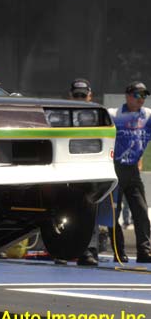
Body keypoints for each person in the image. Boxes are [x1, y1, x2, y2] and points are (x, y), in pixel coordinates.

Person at [107, 81, 151, 263]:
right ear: (127, 96)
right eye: (137, 95)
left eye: (144, 95)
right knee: (113, 214)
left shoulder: (148, 115)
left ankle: (144, 251)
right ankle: (119, 251)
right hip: (114, 170)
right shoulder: (113, 114)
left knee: (141, 211)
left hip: (133, 171)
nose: (141, 99)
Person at [66, 78, 101, 266]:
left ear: (90, 96)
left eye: (83, 95)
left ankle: (89, 250)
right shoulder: (60, 115)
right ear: (70, 96)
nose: (79, 98)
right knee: (62, 209)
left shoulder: (98, 115)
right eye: (76, 95)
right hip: (66, 170)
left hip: (88, 169)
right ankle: (62, 250)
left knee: (89, 209)